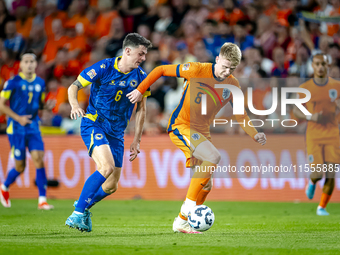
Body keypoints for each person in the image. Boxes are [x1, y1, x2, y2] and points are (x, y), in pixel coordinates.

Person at [127, 42, 267, 233]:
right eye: (224, 66)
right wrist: (140, 89)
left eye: (231, 69)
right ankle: (186, 214)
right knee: (214, 157)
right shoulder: (196, 69)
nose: (226, 72)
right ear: (217, 59)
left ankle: (185, 221)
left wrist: (255, 133)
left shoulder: (233, 85)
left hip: (202, 132)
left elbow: (241, 115)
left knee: (206, 184)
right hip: (182, 125)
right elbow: (160, 70)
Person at [65, 33, 152, 232]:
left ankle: (83, 206)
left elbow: (142, 110)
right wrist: (74, 105)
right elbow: (74, 86)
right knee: (106, 167)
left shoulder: (140, 77)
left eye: (145, 55)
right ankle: (77, 214)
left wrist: (136, 141)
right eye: (141, 54)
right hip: (95, 124)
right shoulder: (104, 67)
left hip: (117, 133)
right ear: (127, 51)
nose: (143, 58)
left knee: (112, 186)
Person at [0, 50, 54, 210]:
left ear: (36, 65)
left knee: (38, 158)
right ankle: (4, 187)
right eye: (26, 62)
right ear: (21, 65)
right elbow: (1, 105)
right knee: (20, 167)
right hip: (16, 128)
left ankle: (42, 200)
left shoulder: (40, 83)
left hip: (33, 126)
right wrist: (18, 118)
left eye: (32, 62)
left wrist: (47, 106)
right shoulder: (13, 82)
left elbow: (40, 104)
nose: (29, 64)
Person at [293, 53, 340, 216]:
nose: (320, 67)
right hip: (314, 134)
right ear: (312, 66)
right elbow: (295, 110)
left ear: (328, 66)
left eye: (323, 64)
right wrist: (310, 116)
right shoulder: (305, 88)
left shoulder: (337, 86)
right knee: (318, 173)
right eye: (317, 64)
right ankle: (312, 181)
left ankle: (322, 207)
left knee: (331, 172)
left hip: (333, 133)